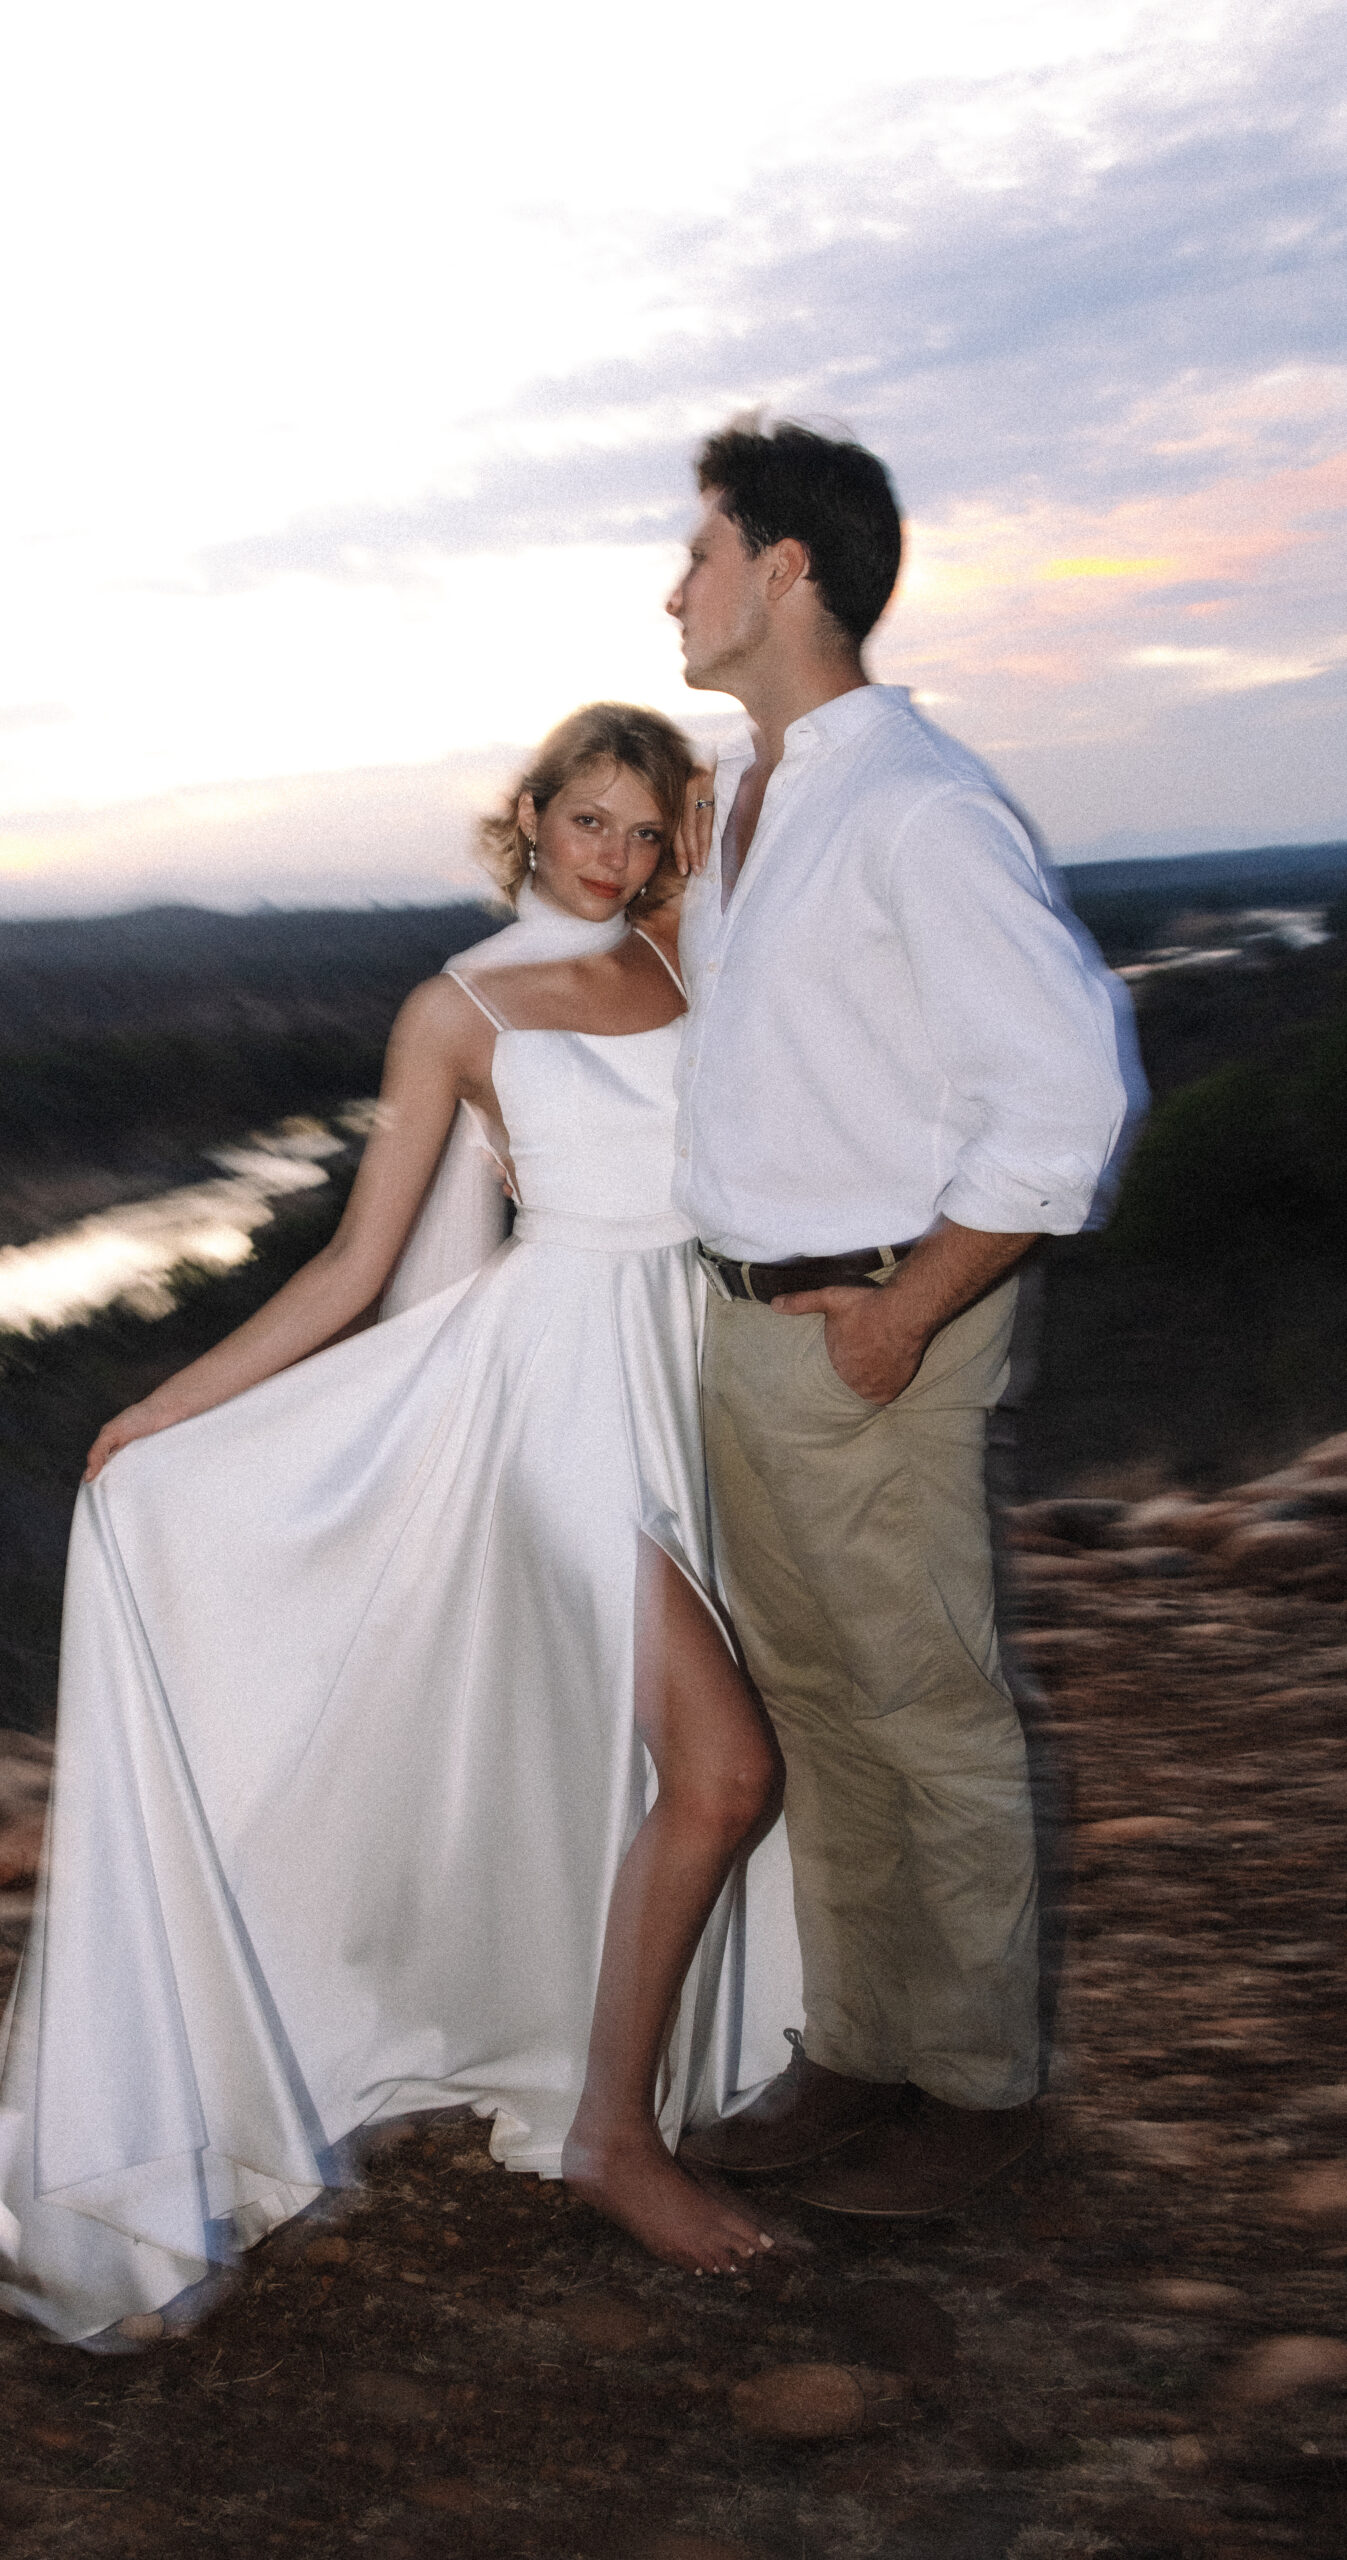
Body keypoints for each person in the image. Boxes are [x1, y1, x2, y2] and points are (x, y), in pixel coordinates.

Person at [0, 703, 806, 2346]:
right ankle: (611, 2136)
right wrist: (166, 1408)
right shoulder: (456, 1009)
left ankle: (592, 2070)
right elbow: (351, 1260)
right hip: (552, 1409)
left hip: (691, 1382)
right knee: (728, 1770)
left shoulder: (686, 962)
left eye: (641, 829)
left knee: (658, 1765)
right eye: (586, 820)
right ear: (528, 816)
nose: (613, 856)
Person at [664, 421, 1133, 2217]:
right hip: (757, 1331)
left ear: (788, 569)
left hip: (873, 1335)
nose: (675, 587)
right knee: (820, 1708)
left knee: (927, 1712)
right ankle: (866, 2056)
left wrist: (909, 1311)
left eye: (700, 552)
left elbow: (1067, 1095)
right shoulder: (751, 792)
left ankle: (984, 2101)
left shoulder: (919, 804)